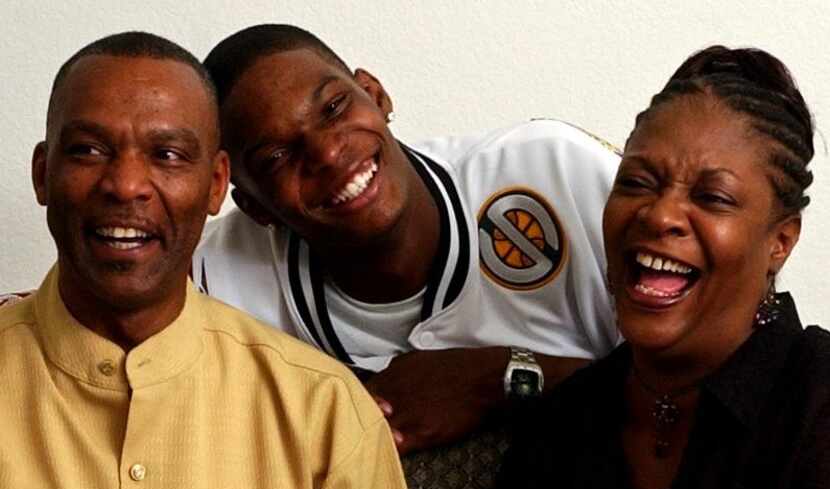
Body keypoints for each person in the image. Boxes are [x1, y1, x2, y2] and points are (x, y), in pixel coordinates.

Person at [0, 31, 422, 489]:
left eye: (169, 154)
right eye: (88, 150)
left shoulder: (324, 410)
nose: (127, 184)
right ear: (43, 175)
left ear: (217, 184)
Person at [193, 24, 621, 454]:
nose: (326, 153)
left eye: (335, 108)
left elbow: (685, 382)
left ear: (375, 95)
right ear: (255, 207)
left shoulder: (554, 170)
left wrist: (501, 375)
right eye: (276, 157)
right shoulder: (213, 283)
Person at [479, 45, 829, 489]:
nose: (659, 214)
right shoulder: (562, 423)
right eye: (637, 183)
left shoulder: (816, 403)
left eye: (712, 197)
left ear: (781, 241)